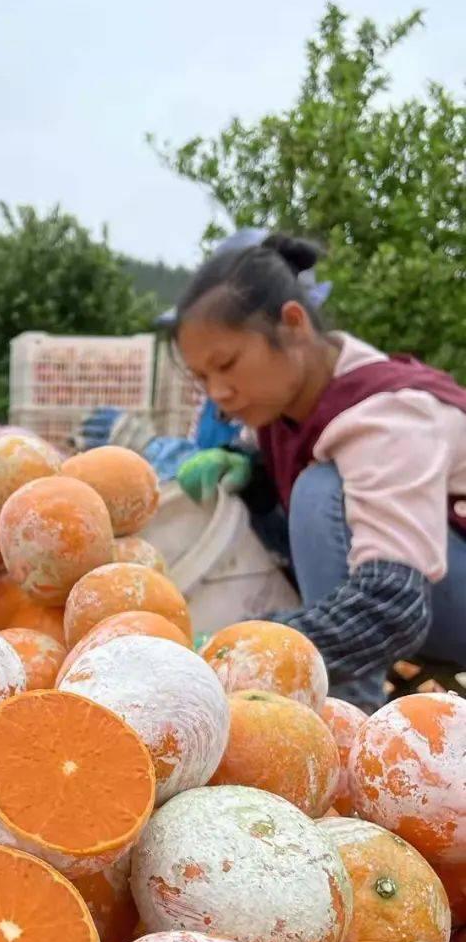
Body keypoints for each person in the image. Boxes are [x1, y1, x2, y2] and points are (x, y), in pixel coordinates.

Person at [171, 232, 466, 710]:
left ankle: (351, 717)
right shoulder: (279, 410)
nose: (218, 393)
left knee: (321, 489)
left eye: (226, 364)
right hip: (432, 591)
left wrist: (246, 647)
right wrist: (253, 479)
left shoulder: (390, 416)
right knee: (278, 486)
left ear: (293, 324)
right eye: (203, 378)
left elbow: (392, 604)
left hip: (421, 593)